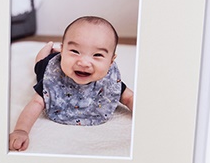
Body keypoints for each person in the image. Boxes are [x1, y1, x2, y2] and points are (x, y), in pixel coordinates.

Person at [9, 16, 134, 152]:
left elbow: (129, 98)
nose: (84, 63)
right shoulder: (52, 77)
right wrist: (21, 130)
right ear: (63, 50)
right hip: (47, 65)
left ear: (111, 61)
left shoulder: (110, 82)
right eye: (75, 51)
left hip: (66, 59)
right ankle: (49, 47)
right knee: (40, 62)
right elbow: (36, 103)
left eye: (97, 55)